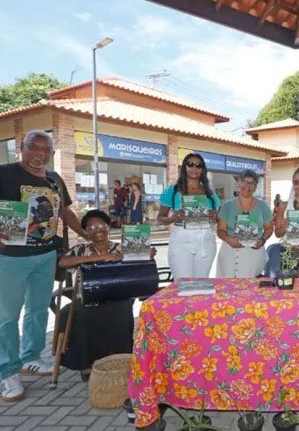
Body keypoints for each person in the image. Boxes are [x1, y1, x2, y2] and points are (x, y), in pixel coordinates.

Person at [0, 130, 88, 402]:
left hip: (46, 254)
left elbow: (64, 211)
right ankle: (7, 372)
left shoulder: (54, 179)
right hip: (10, 257)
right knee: (6, 316)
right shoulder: (4, 173)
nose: (40, 153)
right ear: (21, 147)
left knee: (38, 310)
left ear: (51, 153)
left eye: (45, 149)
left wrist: (85, 234)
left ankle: (31, 357)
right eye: (34, 147)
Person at [57, 210, 155, 381]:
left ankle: (120, 360)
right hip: (87, 298)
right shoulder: (81, 249)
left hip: (118, 296)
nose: (97, 230)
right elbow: (63, 262)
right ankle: (87, 363)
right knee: (84, 314)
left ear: (108, 227)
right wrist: (101, 257)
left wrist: (146, 254)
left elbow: (139, 267)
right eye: (91, 227)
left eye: (101, 225)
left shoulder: (121, 247)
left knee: (121, 311)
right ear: (86, 231)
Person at [157, 154, 220, 280]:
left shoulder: (210, 193)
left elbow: (218, 219)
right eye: (190, 164)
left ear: (202, 169)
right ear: (184, 167)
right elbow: (160, 218)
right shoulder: (173, 190)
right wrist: (173, 218)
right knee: (183, 283)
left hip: (206, 240)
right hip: (181, 241)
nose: (194, 168)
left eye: (198, 165)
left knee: (201, 282)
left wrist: (215, 216)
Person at [216, 169, 272, 277]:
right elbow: (220, 230)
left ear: (255, 187)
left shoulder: (263, 206)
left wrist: (262, 240)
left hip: (254, 251)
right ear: (239, 183)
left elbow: (269, 228)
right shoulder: (227, 206)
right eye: (244, 181)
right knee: (228, 284)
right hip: (230, 251)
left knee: (251, 284)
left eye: (252, 183)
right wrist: (229, 240)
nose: (247, 186)